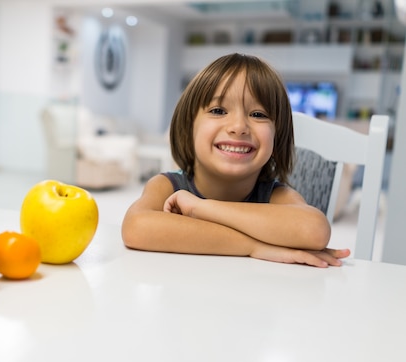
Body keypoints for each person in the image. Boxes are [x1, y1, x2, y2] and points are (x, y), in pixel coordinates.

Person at [121, 53, 350, 268]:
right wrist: (254, 246)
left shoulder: (276, 195)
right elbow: (136, 228)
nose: (239, 127)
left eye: (258, 114)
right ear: (188, 127)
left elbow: (314, 230)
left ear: (277, 137)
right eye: (219, 110)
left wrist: (201, 208)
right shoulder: (168, 187)